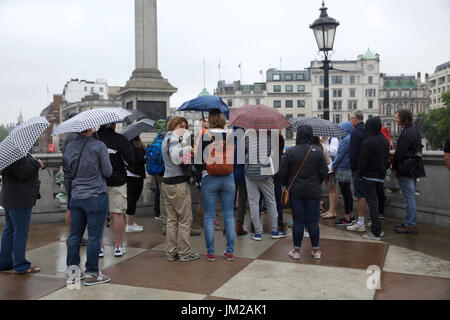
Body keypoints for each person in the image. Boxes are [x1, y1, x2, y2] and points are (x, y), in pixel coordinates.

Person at [63, 128, 113, 286]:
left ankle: (73, 272)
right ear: (90, 129)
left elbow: (68, 171)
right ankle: (92, 273)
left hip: (76, 196)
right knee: (94, 236)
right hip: (95, 195)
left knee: (74, 236)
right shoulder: (99, 146)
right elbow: (108, 171)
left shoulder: (70, 147)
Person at [278, 125, 328, 259]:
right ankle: (316, 250)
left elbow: (282, 173)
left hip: (296, 192)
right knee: (313, 222)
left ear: (298, 135)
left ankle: (296, 250)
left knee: (298, 221)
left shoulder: (291, 152)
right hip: (313, 191)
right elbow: (324, 172)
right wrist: (316, 182)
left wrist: (287, 184)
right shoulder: (317, 151)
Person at [198, 111, 236, 261]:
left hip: (210, 177)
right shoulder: (231, 135)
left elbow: (200, 158)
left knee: (209, 216)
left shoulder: (205, 135)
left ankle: (211, 252)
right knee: (229, 216)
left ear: (211, 121)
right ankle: (230, 251)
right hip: (228, 177)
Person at [161, 116, 199, 262]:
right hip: (177, 184)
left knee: (171, 220)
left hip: (167, 182)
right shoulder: (175, 140)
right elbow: (175, 155)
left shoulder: (166, 138)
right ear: (174, 125)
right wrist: (188, 148)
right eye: (181, 126)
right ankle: (184, 253)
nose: (183, 130)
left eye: (185, 127)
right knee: (184, 219)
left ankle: (171, 253)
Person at [0, 154, 44, 274]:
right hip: (20, 199)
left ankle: (4, 262)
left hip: (9, 197)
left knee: (9, 230)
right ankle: (21, 265)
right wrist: (37, 164)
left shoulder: (6, 155)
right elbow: (22, 173)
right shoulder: (18, 155)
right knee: (20, 232)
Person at [97, 123, 135, 257]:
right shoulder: (120, 139)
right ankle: (118, 247)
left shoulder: (94, 139)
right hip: (117, 180)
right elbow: (131, 159)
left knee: (98, 215)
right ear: (113, 124)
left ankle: (100, 248)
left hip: (97, 181)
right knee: (118, 213)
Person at [245, 128, 287, 241]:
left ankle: (257, 233)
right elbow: (272, 154)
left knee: (253, 202)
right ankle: (275, 230)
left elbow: (244, 151)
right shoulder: (269, 137)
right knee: (271, 201)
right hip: (265, 171)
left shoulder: (247, 136)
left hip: (250, 172)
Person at [392, 109, 426, 234]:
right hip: (414, 167)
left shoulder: (407, 133)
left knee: (409, 197)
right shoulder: (414, 130)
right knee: (410, 196)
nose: (396, 119)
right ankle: (408, 222)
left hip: (406, 168)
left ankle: (410, 224)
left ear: (404, 119)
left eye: (397, 117)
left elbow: (400, 153)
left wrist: (394, 165)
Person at [358, 117, 389, 241]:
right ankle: (379, 230)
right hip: (380, 176)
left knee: (373, 204)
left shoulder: (368, 142)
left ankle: (376, 232)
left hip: (369, 177)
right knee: (377, 202)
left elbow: (362, 161)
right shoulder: (384, 140)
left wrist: (361, 175)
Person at [61, 113, 88, 246]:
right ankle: (76, 237)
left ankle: (71, 236)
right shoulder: (79, 137)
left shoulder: (68, 138)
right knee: (81, 207)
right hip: (79, 177)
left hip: (68, 176)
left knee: (70, 206)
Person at [346, 110, 368, 233]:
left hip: (358, 169)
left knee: (360, 195)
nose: (350, 121)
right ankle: (366, 219)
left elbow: (353, 153)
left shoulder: (355, 132)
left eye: (351, 119)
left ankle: (360, 222)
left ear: (355, 119)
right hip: (368, 168)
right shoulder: (366, 130)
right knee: (368, 194)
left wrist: (353, 167)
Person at [333, 121, 355, 226]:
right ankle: (351, 215)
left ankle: (347, 217)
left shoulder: (345, 140)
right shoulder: (350, 138)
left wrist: (333, 166)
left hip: (343, 168)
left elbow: (340, 155)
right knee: (348, 193)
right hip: (348, 167)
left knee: (345, 193)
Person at [125, 135, 146, 232]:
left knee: (132, 199)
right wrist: (147, 159)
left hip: (131, 173)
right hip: (135, 174)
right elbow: (140, 159)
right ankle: (129, 225)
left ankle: (131, 222)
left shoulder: (131, 142)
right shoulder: (134, 143)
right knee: (132, 200)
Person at [233, 126, 248, 236]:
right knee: (242, 200)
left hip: (230, 174)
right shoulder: (245, 142)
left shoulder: (229, 141)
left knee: (229, 200)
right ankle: (239, 225)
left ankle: (227, 225)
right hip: (243, 174)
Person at [320, 136, 339, 219]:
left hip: (331, 168)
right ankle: (330, 210)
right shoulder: (322, 139)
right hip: (325, 168)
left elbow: (335, 152)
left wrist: (323, 146)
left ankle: (333, 211)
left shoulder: (333, 139)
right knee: (330, 190)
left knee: (333, 189)